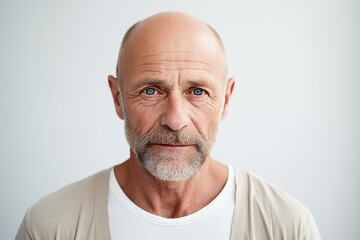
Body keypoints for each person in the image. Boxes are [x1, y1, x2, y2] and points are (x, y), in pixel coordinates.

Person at [16, 12, 321, 240]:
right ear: (118, 97)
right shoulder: (50, 226)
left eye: (197, 91)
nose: (175, 120)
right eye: (151, 90)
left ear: (226, 99)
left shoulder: (287, 225)